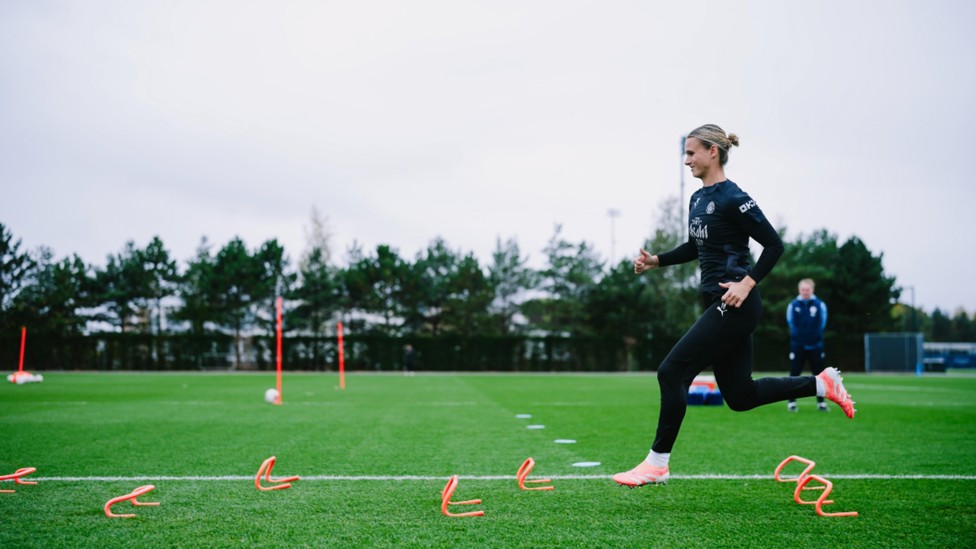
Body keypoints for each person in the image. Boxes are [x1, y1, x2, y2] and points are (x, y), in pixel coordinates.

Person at [612, 124, 855, 488]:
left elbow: (773, 245)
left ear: (713, 151)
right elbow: (696, 246)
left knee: (672, 371)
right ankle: (821, 385)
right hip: (717, 302)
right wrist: (656, 260)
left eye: (692, 152)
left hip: (737, 302)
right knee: (740, 396)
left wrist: (747, 282)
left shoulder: (733, 197)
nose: (686, 160)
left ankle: (657, 463)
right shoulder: (697, 199)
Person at [786, 279, 829, 412]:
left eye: (807, 289)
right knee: (794, 374)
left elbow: (823, 323)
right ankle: (791, 402)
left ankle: (821, 403)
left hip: (815, 345)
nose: (805, 292)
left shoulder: (819, 304)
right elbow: (790, 322)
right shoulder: (793, 305)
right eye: (803, 289)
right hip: (798, 345)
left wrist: (813, 336)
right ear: (800, 290)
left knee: (819, 375)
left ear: (812, 290)